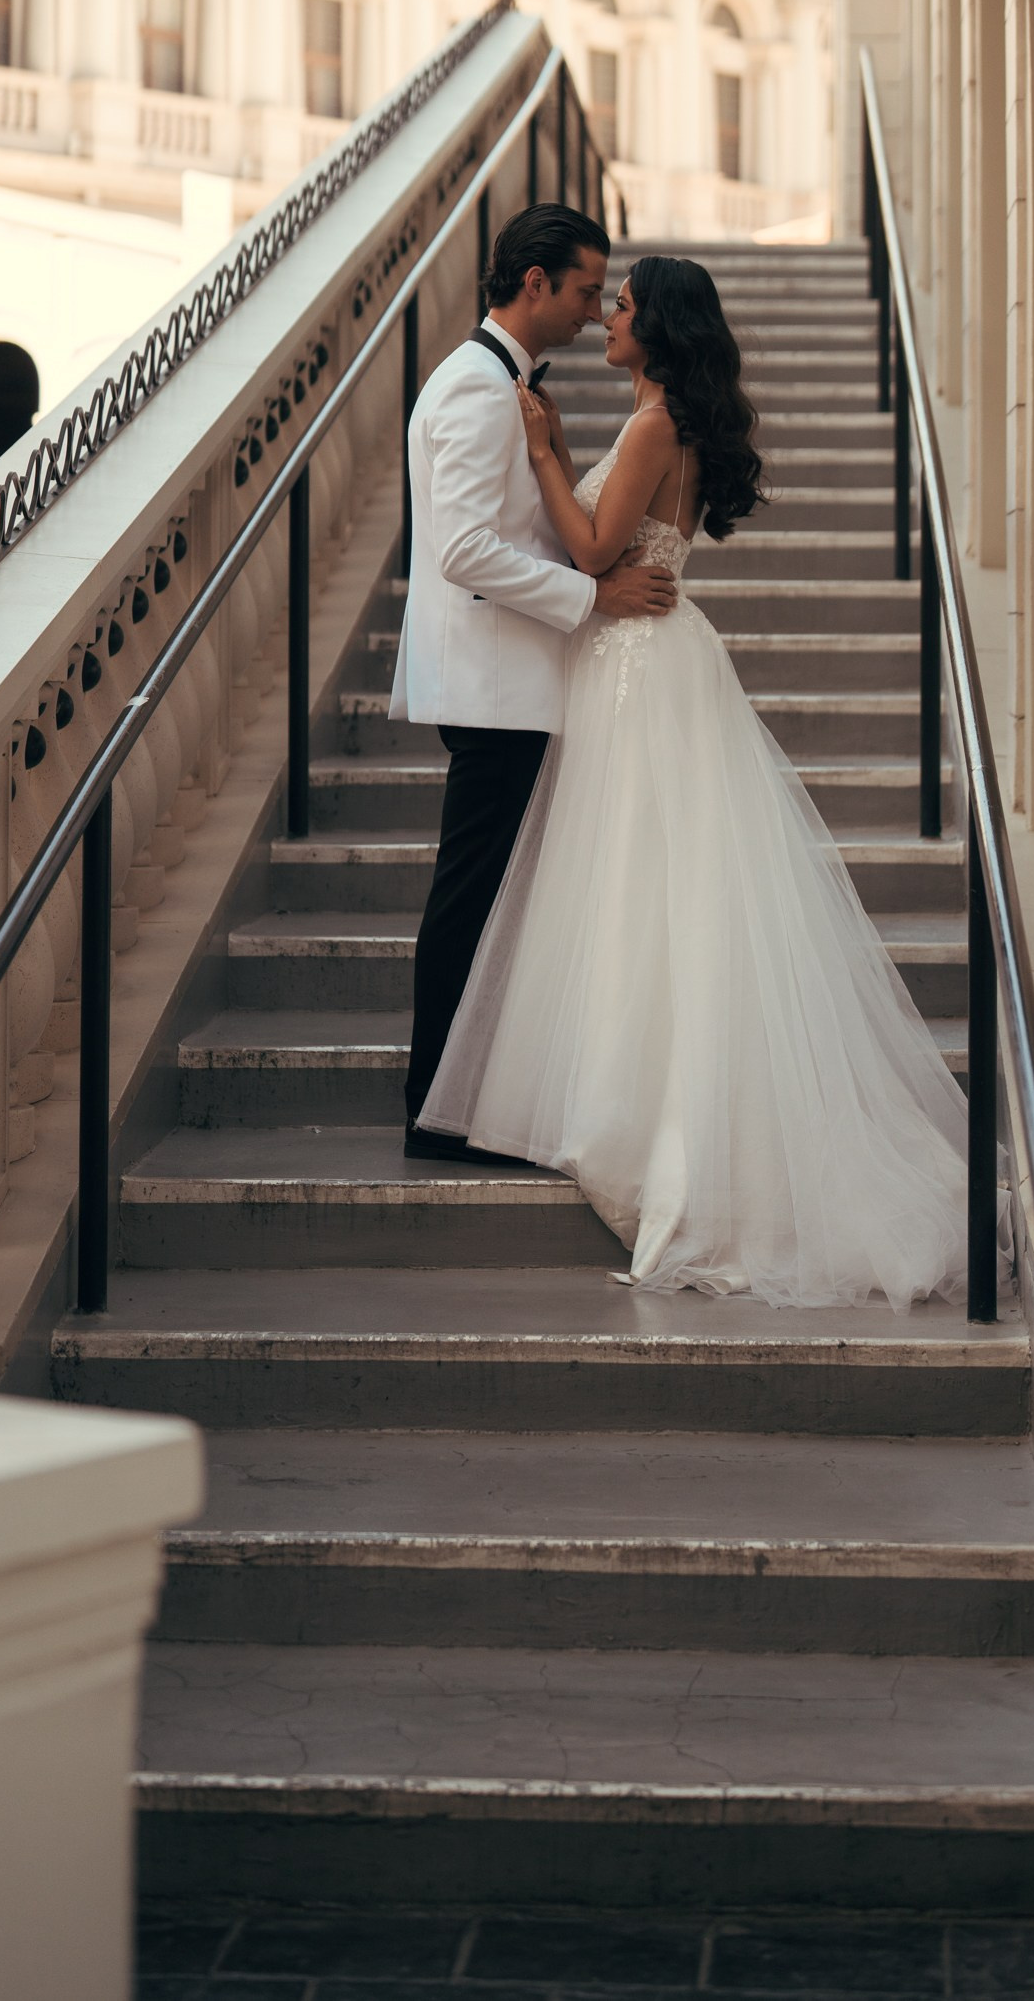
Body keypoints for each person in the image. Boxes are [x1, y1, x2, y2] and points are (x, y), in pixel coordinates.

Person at [419, 254, 968, 1308]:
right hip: (651, 660)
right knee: (645, 885)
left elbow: (586, 551)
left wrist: (540, 458)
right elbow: (616, 530)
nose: (607, 318)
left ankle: (640, 1116)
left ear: (656, 325)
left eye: (620, 306)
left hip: (634, 668)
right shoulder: (656, 426)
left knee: (632, 886)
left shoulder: (654, 426)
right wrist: (570, 454)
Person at [388, 204, 677, 1161]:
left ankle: (458, 1097)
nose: (599, 311)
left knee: (483, 895)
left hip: (505, 675)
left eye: (609, 296)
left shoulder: (493, 382)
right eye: (589, 290)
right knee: (471, 898)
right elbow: (468, 549)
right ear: (535, 281)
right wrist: (590, 597)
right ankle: (437, 1106)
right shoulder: (475, 387)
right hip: (494, 681)